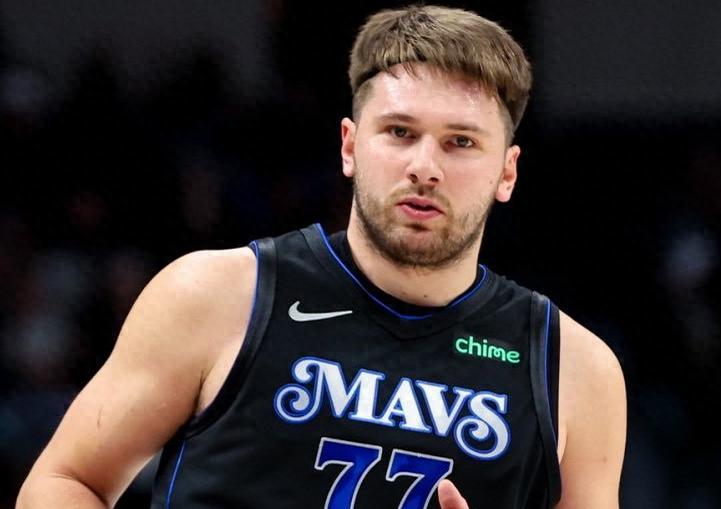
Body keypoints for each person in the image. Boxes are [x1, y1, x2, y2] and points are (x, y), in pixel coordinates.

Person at [16, 4, 626, 508]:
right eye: (400, 132)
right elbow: (65, 481)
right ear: (350, 146)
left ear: (507, 172)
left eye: (460, 142)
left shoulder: (576, 370)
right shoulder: (215, 295)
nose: (424, 167)